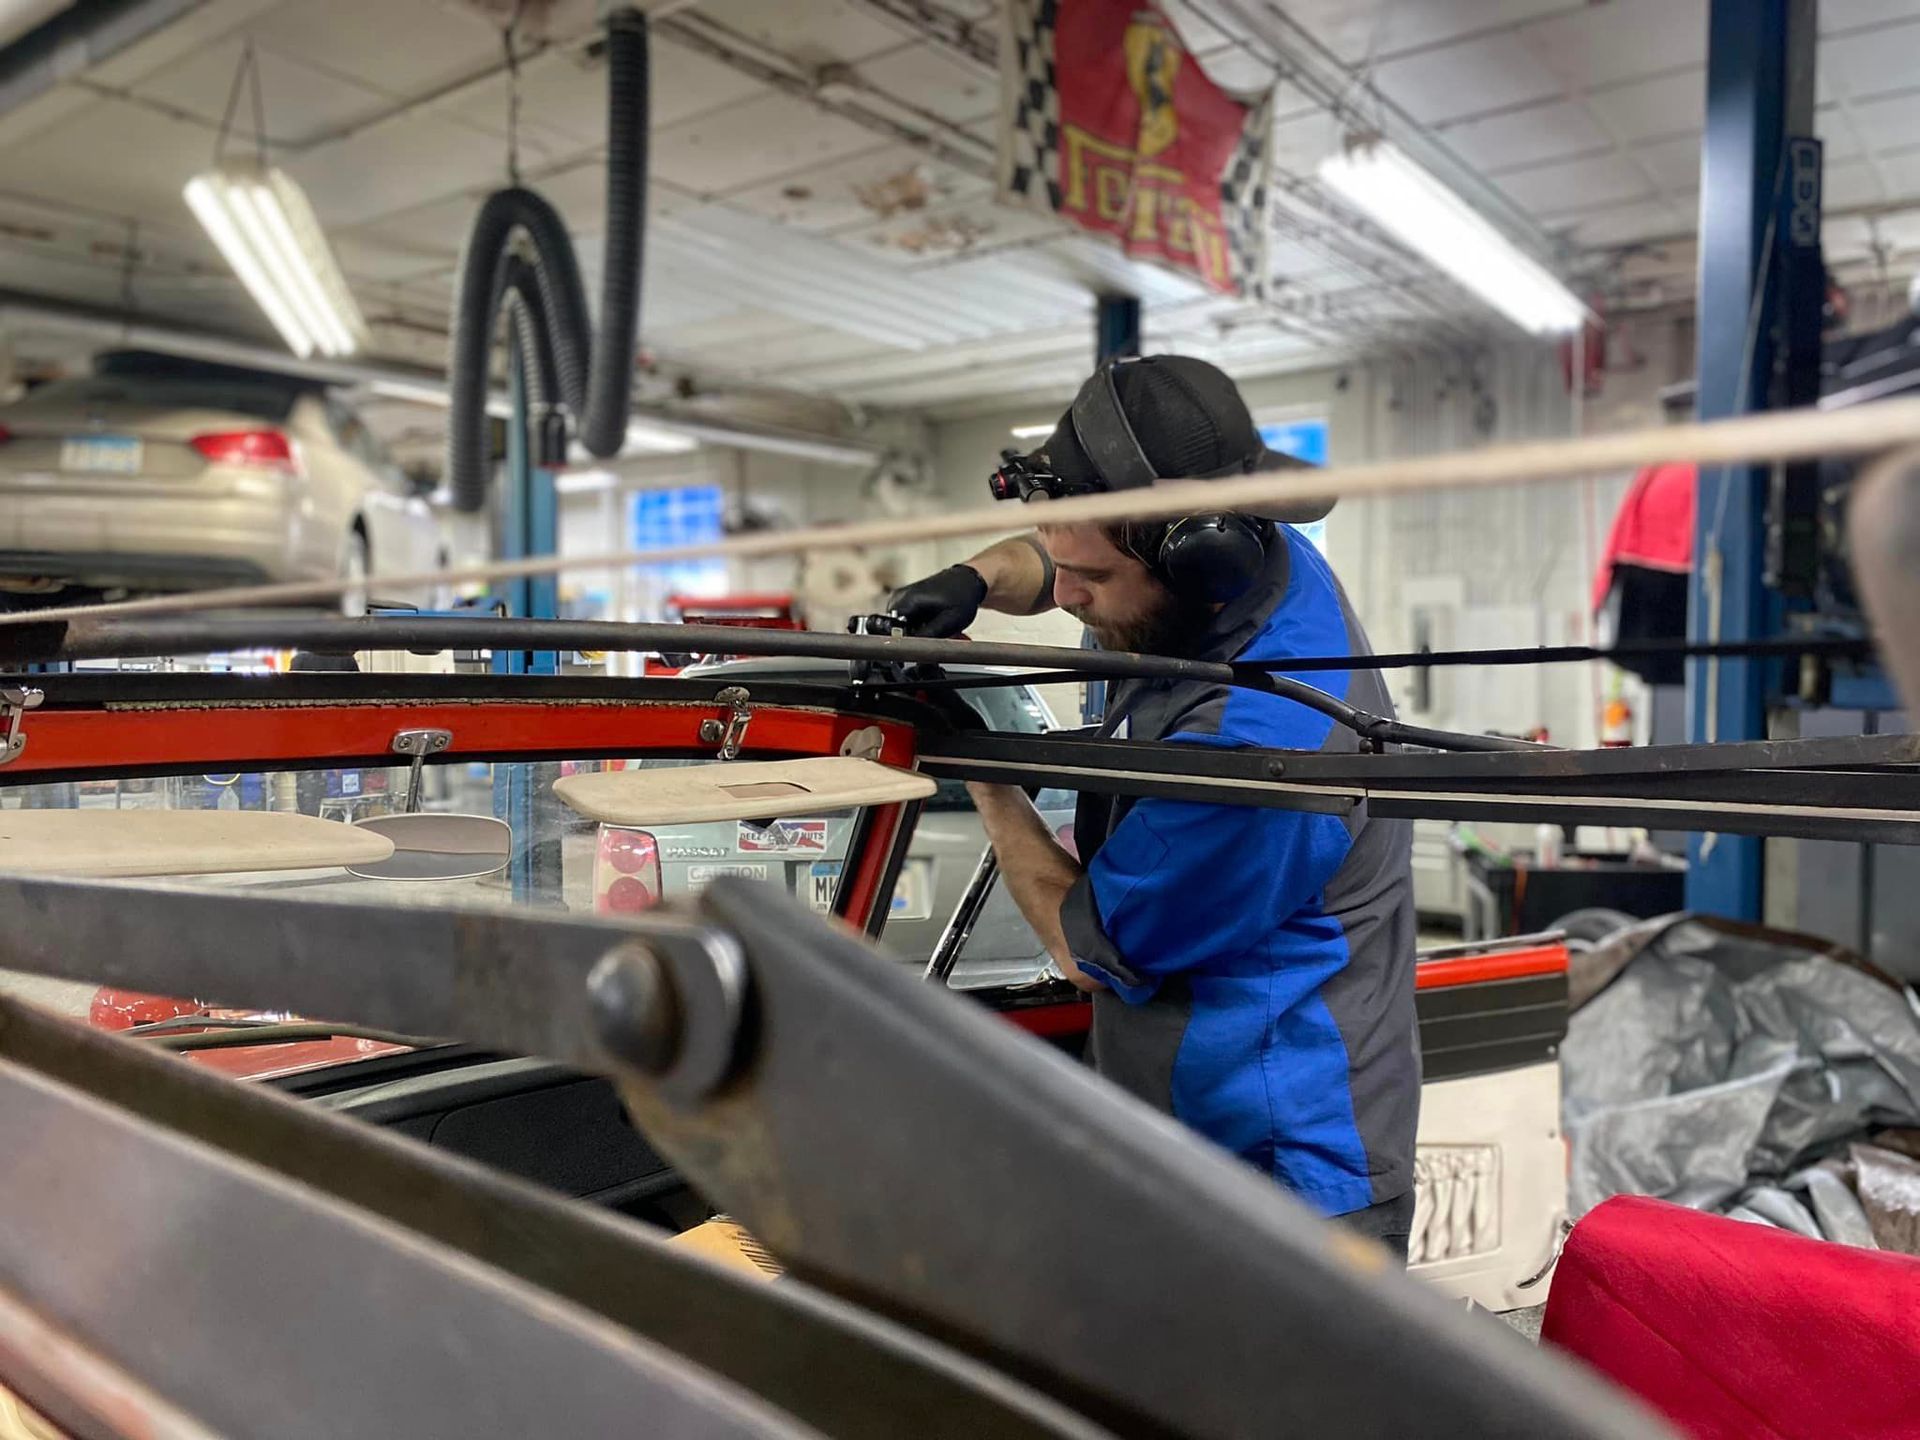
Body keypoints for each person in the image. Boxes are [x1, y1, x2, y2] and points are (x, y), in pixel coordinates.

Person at [888, 355, 1419, 1255]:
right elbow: (1063, 558)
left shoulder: (1258, 746)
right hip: (1186, 1147)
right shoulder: (1223, 569)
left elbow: (1088, 947)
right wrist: (971, 579)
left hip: (1279, 1185)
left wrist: (980, 772)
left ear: (1199, 564)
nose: (1063, 599)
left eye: (1087, 581)